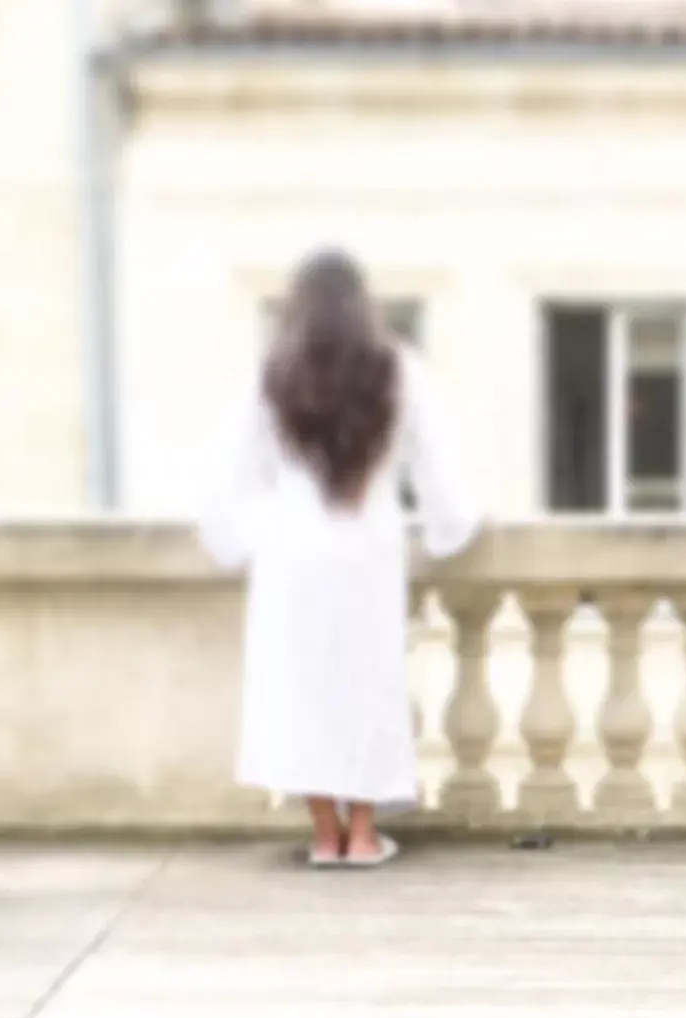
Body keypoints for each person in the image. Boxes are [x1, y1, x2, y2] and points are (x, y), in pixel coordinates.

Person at [200, 249, 478, 867]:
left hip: (293, 552)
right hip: (369, 550)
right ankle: (363, 834)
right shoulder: (398, 370)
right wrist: (442, 535)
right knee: (367, 686)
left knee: (302, 691)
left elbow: (223, 488)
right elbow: (443, 477)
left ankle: (324, 835)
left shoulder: (272, 377)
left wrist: (247, 540)